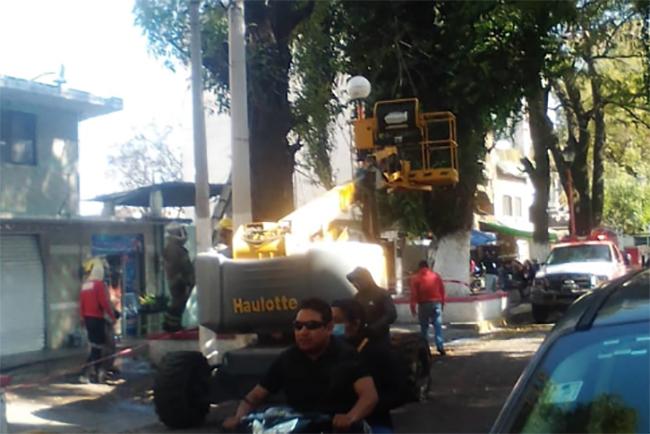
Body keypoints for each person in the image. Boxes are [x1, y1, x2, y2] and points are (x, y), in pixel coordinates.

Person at [222, 298, 378, 432]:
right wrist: (238, 417)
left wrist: (350, 418)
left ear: (329, 327)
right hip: (299, 426)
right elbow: (255, 396)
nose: (303, 332)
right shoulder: (287, 358)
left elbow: (369, 397)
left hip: (338, 428)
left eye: (311, 326)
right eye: (298, 326)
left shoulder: (347, 355)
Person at [332, 299, 408, 433]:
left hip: (374, 422)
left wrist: (362, 408)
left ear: (355, 323)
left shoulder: (378, 352)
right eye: (328, 321)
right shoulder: (326, 351)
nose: (331, 326)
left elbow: (398, 392)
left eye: (337, 321)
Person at [79, 257, 116, 383]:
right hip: (97, 318)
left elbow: (82, 304)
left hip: (88, 319)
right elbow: (104, 303)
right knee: (98, 346)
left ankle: (94, 372)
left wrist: (82, 319)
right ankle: (92, 373)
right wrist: (112, 316)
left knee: (95, 345)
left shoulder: (85, 286)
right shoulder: (98, 285)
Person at [346, 267, 397, 345]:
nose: (355, 284)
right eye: (353, 282)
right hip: (361, 338)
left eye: (357, 281)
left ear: (366, 280)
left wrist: (374, 327)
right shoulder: (357, 297)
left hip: (380, 338)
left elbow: (391, 314)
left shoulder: (382, 293)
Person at [162, 223, 195, 332]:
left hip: (179, 280)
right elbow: (179, 267)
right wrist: (185, 280)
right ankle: (170, 325)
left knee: (180, 303)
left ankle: (173, 325)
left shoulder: (176, 248)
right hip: (179, 281)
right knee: (178, 303)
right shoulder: (173, 248)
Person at [410, 260, 446, 355]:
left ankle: (425, 349)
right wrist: (442, 303)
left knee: (424, 328)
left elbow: (414, 294)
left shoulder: (416, 278)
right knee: (437, 326)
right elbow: (442, 290)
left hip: (423, 304)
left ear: (419, 267)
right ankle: (440, 346)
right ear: (428, 267)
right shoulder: (436, 276)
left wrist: (413, 308)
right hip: (436, 303)